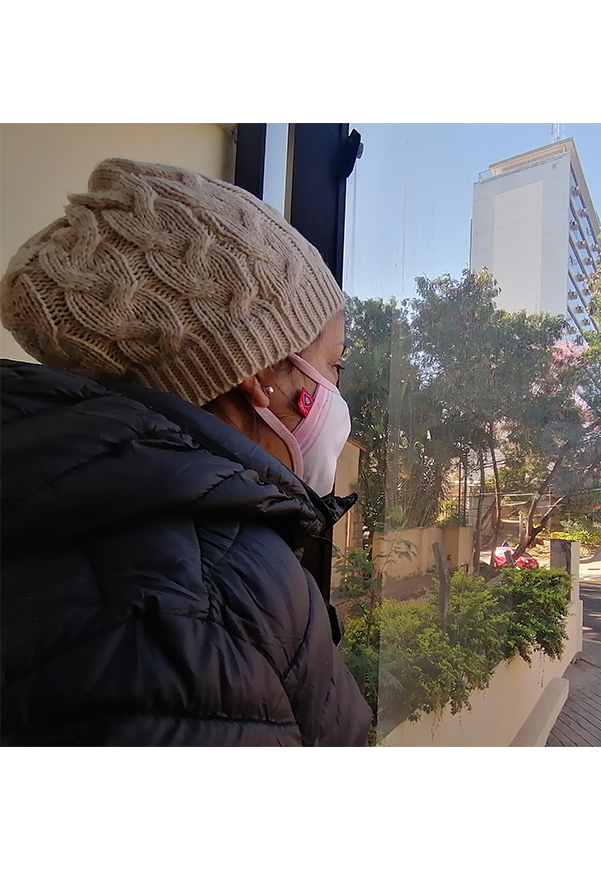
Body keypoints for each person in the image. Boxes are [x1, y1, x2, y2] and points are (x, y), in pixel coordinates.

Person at [0, 158, 372, 746]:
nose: (337, 389)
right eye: (333, 364)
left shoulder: (98, 520)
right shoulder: (207, 603)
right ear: (259, 377)